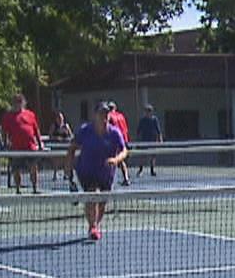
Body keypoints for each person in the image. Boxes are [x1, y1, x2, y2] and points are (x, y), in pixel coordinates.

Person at [67, 102, 129, 241]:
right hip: (86, 170)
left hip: (106, 173)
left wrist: (116, 159)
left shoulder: (114, 132)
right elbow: (72, 148)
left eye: (106, 113)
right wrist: (69, 169)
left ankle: (96, 224)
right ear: (95, 115)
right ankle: (92, 226)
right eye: (101, 113)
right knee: (92, 193)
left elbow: (124, 150)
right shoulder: (85, 130)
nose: (104, 116)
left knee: (102, 201)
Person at [0, 93, 44, 193]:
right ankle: (18, 189)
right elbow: (4, 132)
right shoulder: (8, 116)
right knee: (16, 169)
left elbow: (36, 130)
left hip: (30, 147)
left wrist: (40, 144)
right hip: (16, 149)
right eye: (15, 101)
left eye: (19, 101)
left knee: (33, 167)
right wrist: (5, 144)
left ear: (23, 102)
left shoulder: (30, 114)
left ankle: (35, 188)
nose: (17, 104)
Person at [134, 104, 163, 177]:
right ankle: (140, 170)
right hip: (144, 141)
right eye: (147, 111)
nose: (148, 112)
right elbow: (138, 131)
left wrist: (160, 139)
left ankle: (152, 170)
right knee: (143, 156)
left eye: (149, 111)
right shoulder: (142, 120)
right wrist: (137, 140)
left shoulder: (154, 120)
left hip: (153, 141)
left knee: (153, 156)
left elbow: (158, 130)